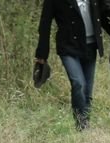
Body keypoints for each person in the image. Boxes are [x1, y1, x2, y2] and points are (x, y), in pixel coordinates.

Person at [34, 0, 105, 131]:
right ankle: (82, 126)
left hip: (90, 46)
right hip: (68, 46)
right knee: (78, 83)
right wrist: (42, 54)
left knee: (88, 91)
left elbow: (104, 14)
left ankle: (85, 125)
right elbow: (45, 23)